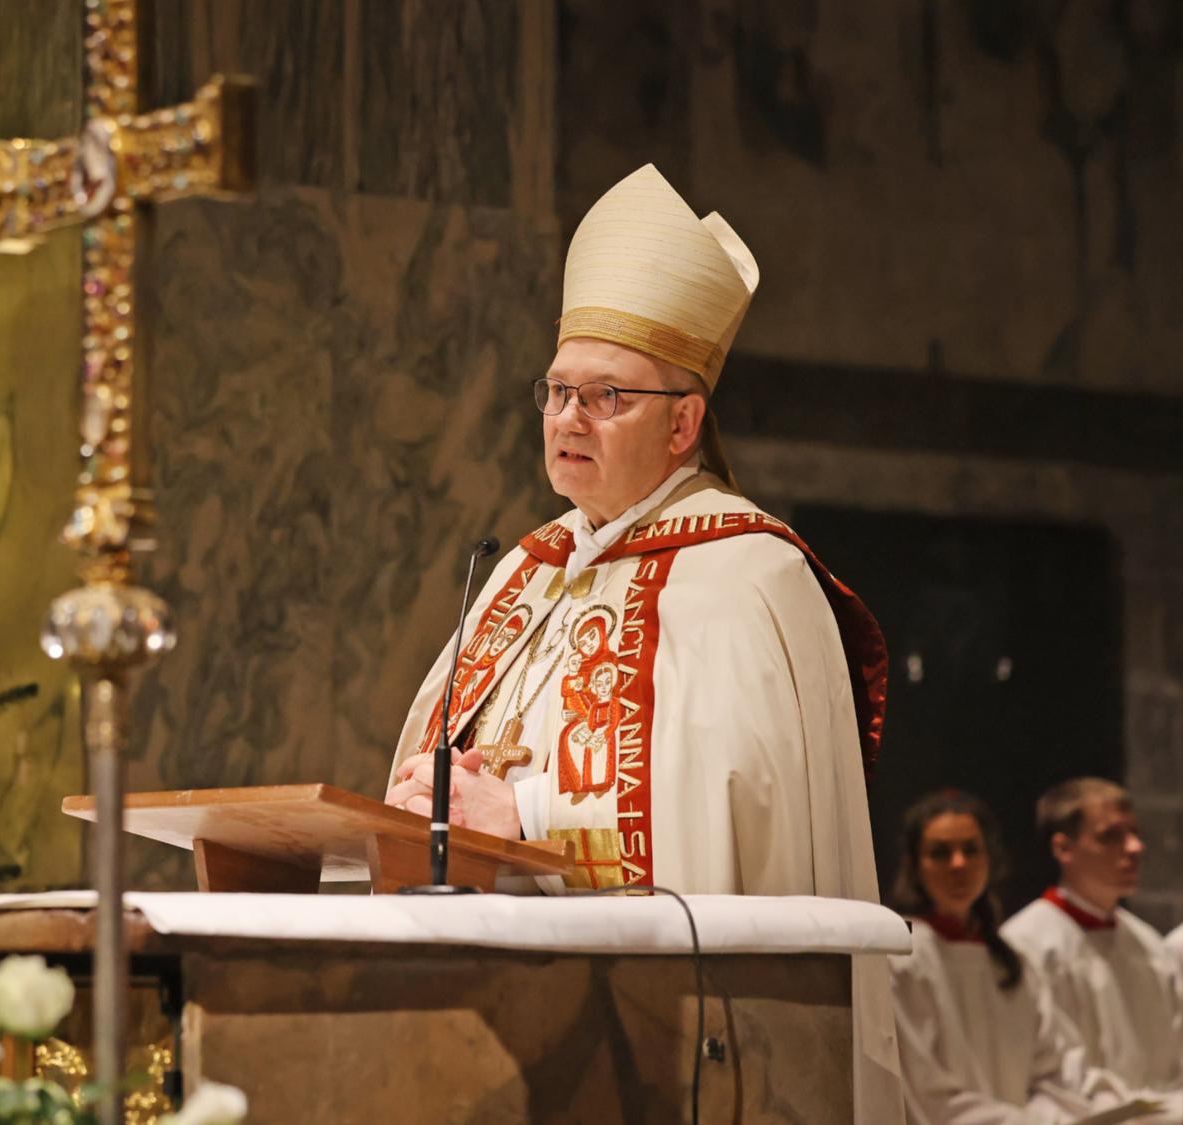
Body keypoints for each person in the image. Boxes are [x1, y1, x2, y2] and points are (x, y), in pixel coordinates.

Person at [381, 163, 899, 1121]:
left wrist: (526, 818)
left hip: (680, 1050)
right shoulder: (518, 570)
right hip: (487, 1015)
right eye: (557, 391)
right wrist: (421, 803)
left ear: (684, 423)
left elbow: (728, 822)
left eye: (606, 395)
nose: (569, 416)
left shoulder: (747, 574)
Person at [888, 789, 1149, 1123]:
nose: (959, 864)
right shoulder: (902, 959)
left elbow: (1054, 1069)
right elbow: (926, 1093)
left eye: (971, 850)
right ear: (914, 865)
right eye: (941, 853)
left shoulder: (1010, 960)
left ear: (989, 858)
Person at [1003, 779, 1183, 1102]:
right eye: (1111, 836)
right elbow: (1045, 1073)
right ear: (1063, 848)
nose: (1135, 847)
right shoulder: (1026, 945)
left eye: (1134, 833)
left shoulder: (1149, 945)